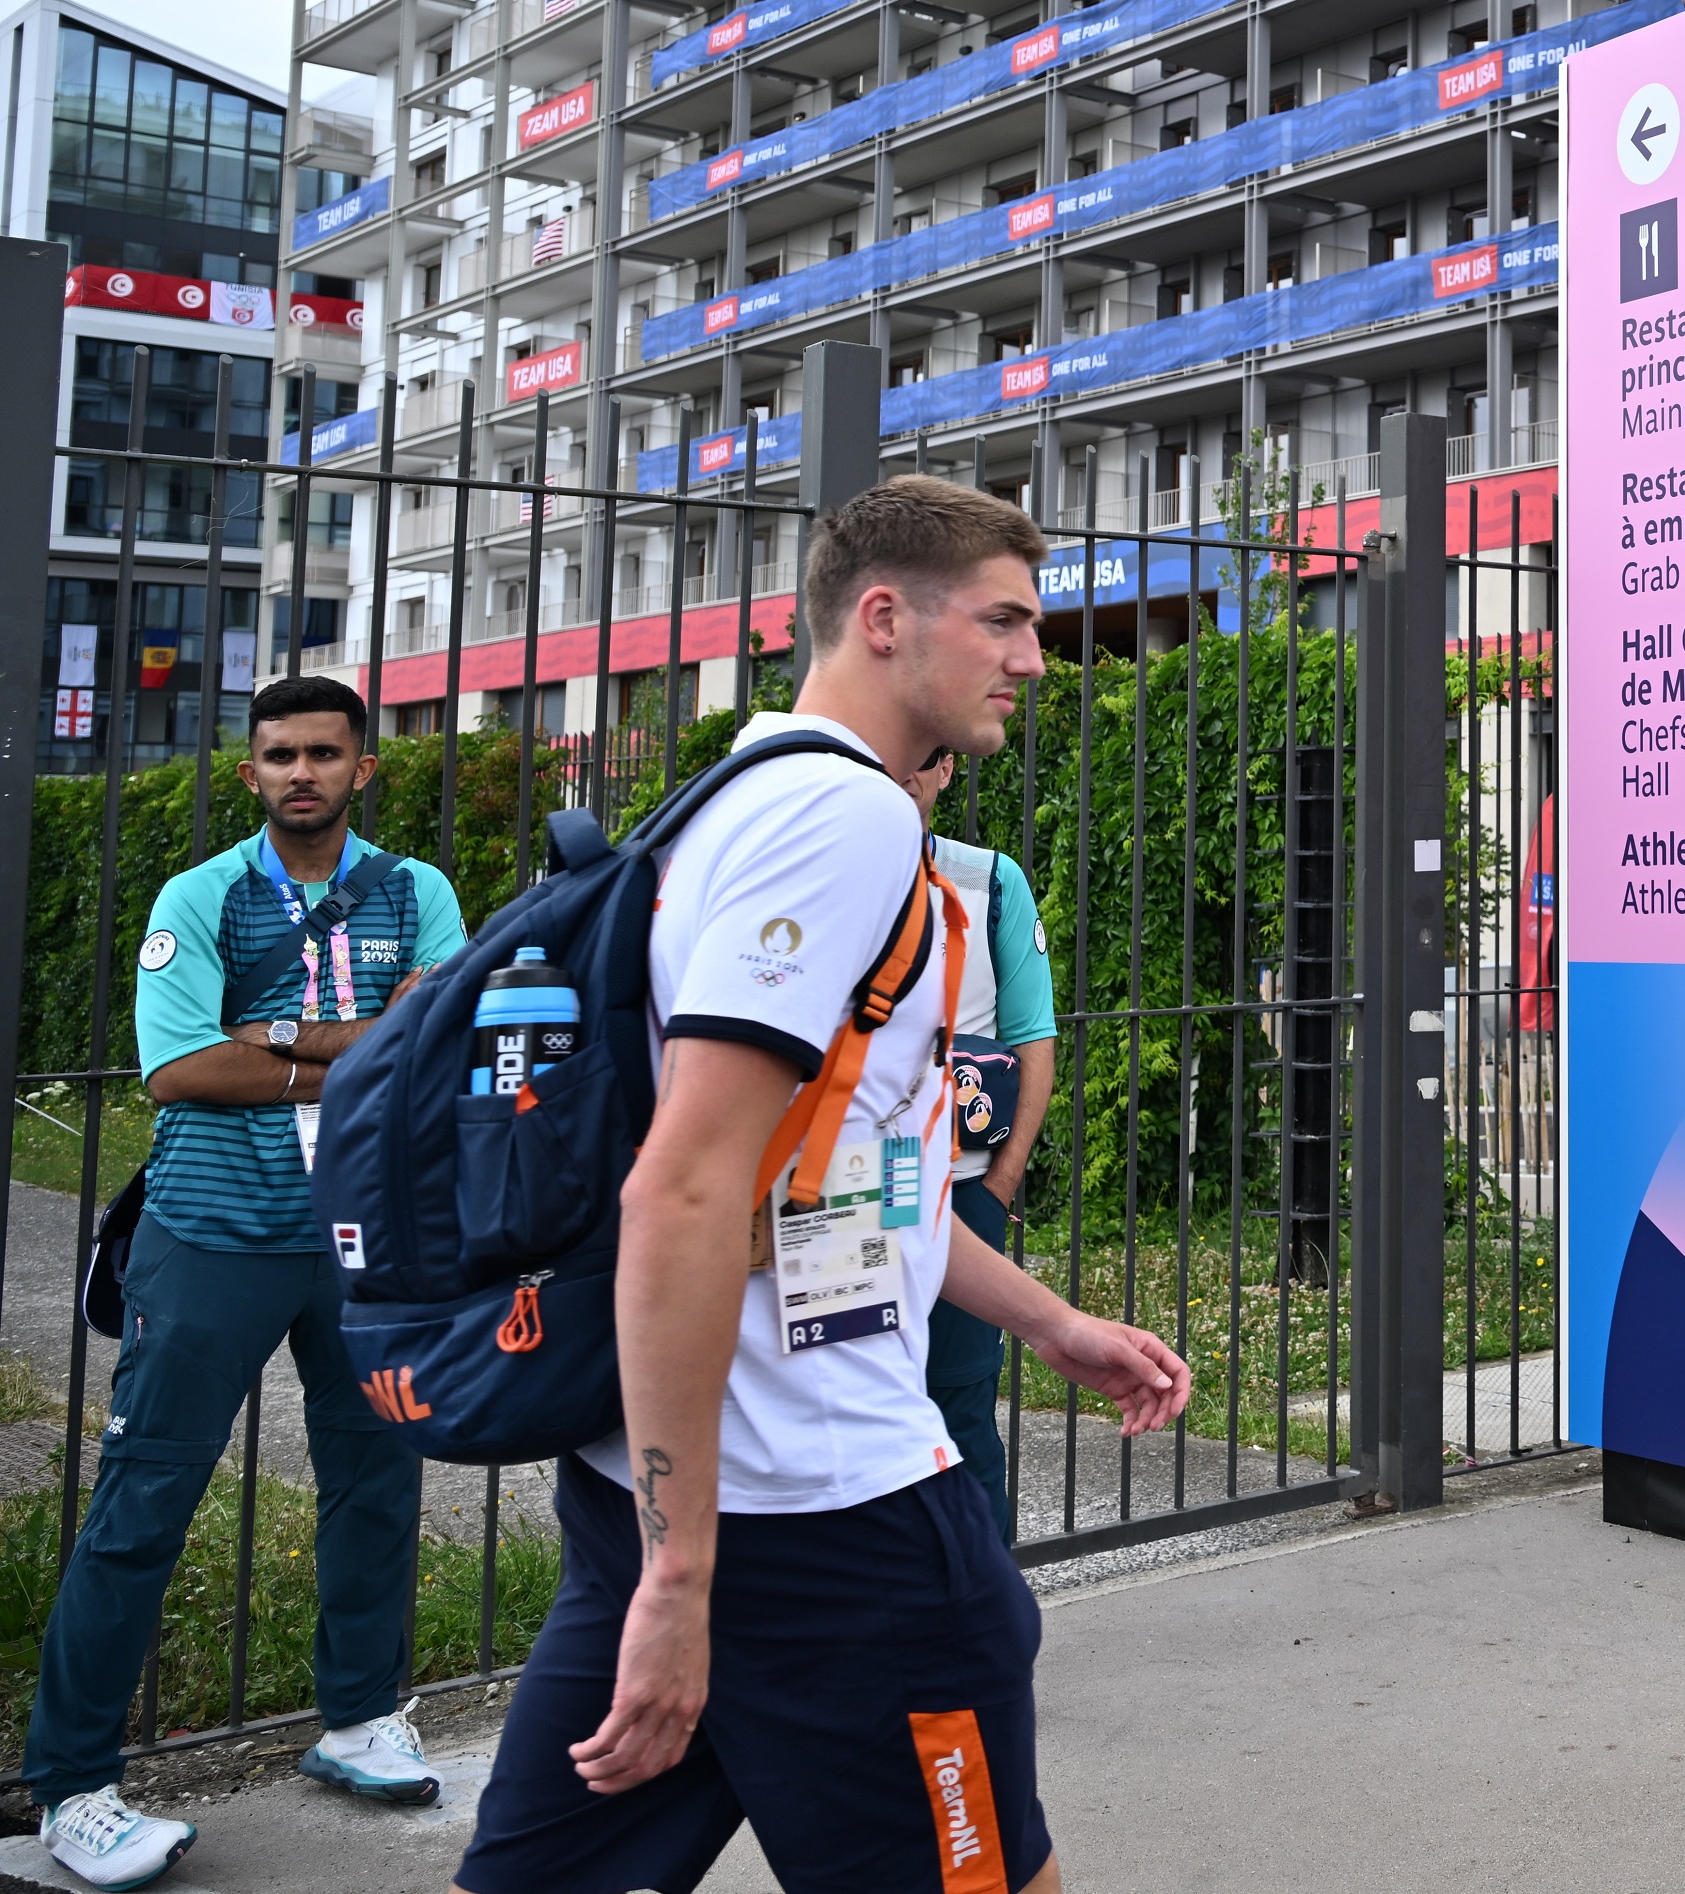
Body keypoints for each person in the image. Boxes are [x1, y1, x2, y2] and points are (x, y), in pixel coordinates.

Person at [458, 479, 1197, 1894]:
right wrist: (687, 1580)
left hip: (650, 1492)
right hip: (822, 1524)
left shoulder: (730, 791)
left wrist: (1050, 1322)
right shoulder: (845, 825)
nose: (1034, 658)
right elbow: (680, 1188)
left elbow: (840, 1181)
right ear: (881, 617)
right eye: (1004, 620)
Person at [28, 677, 465, 1890]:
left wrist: (269, 1035)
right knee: (142, 1505)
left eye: (325, 752)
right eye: (280, 754)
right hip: (212, 1231)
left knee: (376, 1478)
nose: (302, 772)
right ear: (252, 771)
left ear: (364, 767)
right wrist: (351, 1045)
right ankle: (73, 1783)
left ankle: (359, 1717)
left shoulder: (414, 891)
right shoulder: (200, 894)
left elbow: (439, 1041)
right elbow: (176, 1071)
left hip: (364, 1234)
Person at [907, 753, 1059, 1549]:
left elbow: (1033, 1036)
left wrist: (998, 1184)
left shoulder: (986, 879)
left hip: (960, 1188)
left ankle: (978, 1609)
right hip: (838, 1198)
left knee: (960, 1402)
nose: (909, 772)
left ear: (947, 770)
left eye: (926, 758)